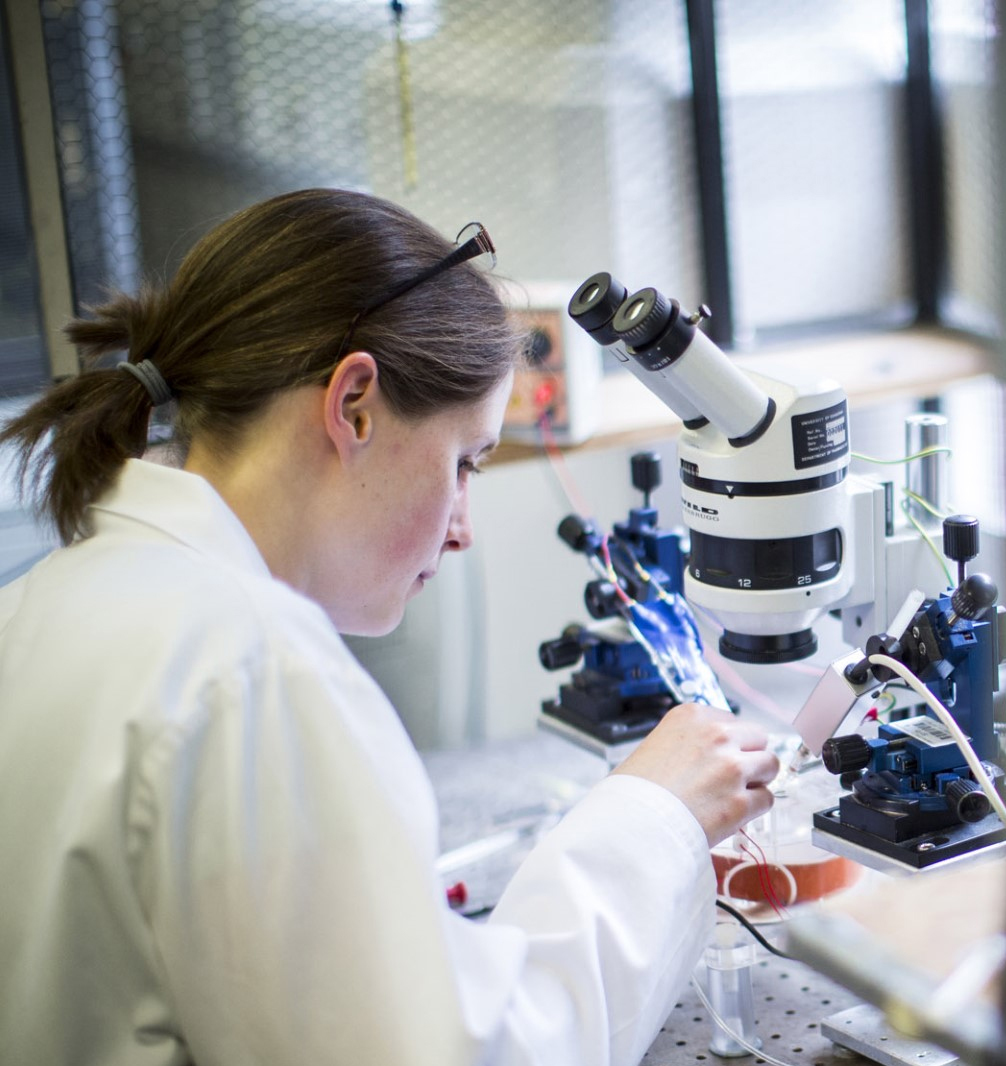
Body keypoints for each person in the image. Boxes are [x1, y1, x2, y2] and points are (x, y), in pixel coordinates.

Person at [0, 188, 779, 1066]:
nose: (463, 527)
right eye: (464, 462)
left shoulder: (40, 604)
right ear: (356, 405)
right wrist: (657, 817)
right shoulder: (252, 673)